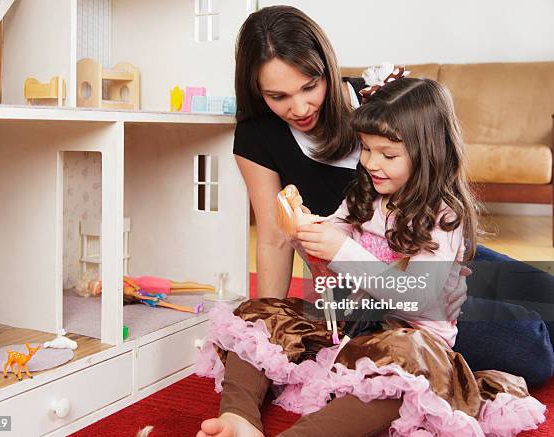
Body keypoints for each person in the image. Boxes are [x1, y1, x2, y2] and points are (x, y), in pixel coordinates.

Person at [196, 76, 546, 437]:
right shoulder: (366, 195)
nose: (371, 163)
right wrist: (308, 231)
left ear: (429, 152)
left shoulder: (443, 216)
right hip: (352, 328)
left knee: (399, 378)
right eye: (365, 149)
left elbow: (419, 297)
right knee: (260, 317)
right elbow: (333, 240)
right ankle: (238, 417)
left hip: (411, 342)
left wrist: (342, 251)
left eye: (388, 155)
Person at [231, 5, 553, 386]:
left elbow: (435, 174)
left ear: (327, 68)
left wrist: (440, 276)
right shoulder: (258, 135)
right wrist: (273, 324)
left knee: (547, 299)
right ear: (256, 90)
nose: (299, 107)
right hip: (374, 294)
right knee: (531, 345)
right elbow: (273, 236)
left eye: (309, 86)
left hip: (433, 256)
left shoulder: (376, 101)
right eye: (277, 96)